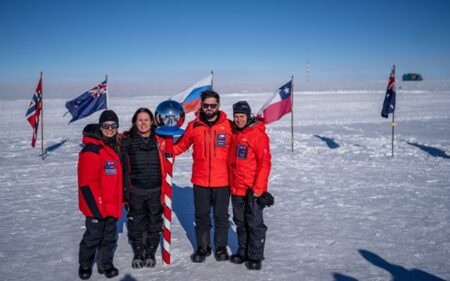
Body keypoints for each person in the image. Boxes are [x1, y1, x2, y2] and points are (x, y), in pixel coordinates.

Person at [174, 90, 233, 263]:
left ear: (218, 106)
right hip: (200, 181)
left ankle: (220, 248)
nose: (209, 108)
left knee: (221, 217)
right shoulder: (194, 126)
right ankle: (203, 248)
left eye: (212, 105)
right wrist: (164, 149)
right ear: (201, 105)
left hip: (222, 181)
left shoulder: (229, 126)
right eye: (206, 105)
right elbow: (181, 146)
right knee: (201, 216)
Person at [228, 101, 274, 270]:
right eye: (236, 116)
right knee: (240, 222)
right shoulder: (235, 133)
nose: (239, 119)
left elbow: (265, 163)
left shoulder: (257, 135)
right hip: (236, 187)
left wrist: (259, 189)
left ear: (248, 116)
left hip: (252, 189)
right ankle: (243, 251)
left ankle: (255, 256)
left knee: (254, 223)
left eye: (242, 116)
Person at [78, 110, 123, 279]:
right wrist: (98, 207)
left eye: (113, 125)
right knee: (92, 237)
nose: (110, 129)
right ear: (100, 126)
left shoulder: (115, 146)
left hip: (112, 203)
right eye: (106, 125)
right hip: (96, 205)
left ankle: (105, 264)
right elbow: (87, 184)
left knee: (109, 237)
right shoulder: (93, 149)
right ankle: (84, 264)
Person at [122, 108, 169, 269]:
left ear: (152, 122)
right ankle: (138, 251)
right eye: (140, 120)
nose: (143, 123)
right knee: (136, 223)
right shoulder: (127, 140)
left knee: (154, 223)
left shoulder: (160, 139)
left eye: (146, 120)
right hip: (136, 191)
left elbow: (172, 154)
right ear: (135, 122)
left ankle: (150, 252)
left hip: (156, 190)